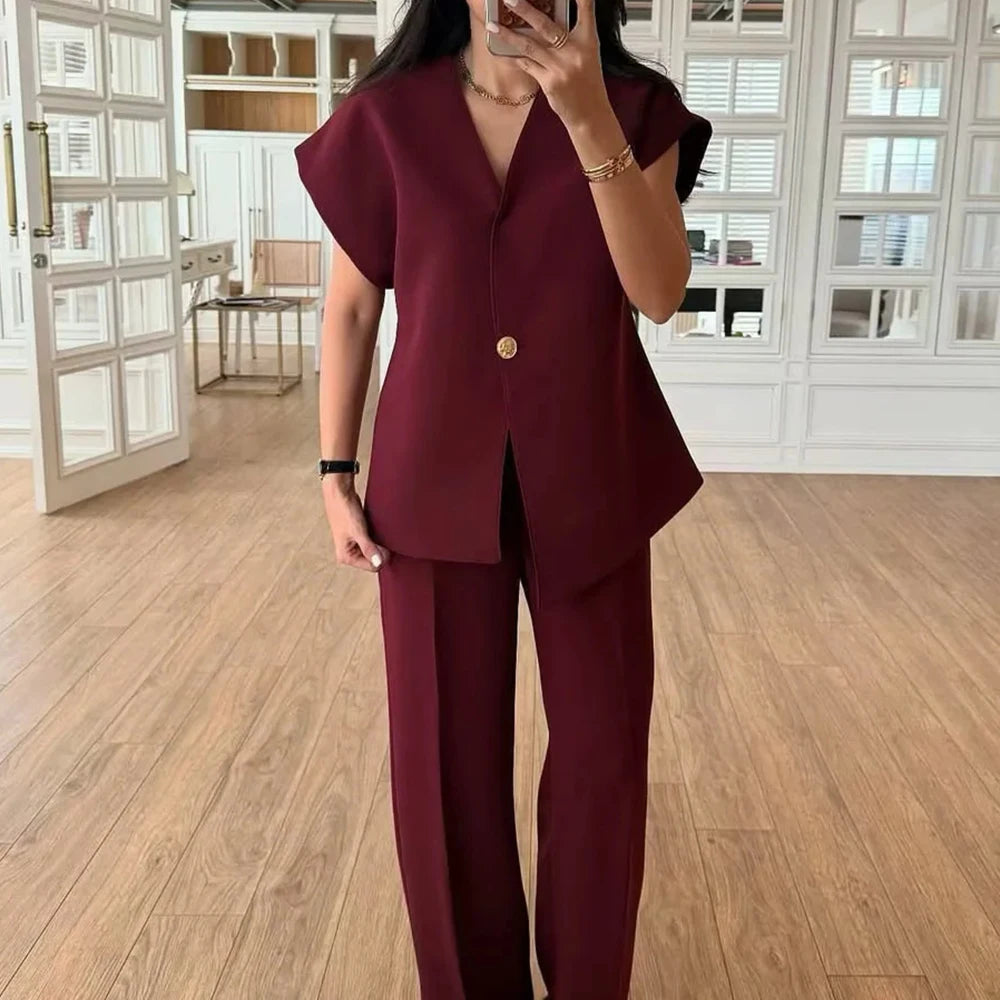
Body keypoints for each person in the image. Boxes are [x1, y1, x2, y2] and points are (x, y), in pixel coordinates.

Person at [295, 0, 711, 992]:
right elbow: (352, 307)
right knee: (443, 771)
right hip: (430, 485)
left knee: (603, 761)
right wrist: (332, 474)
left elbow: (658, 291)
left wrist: (584, 118)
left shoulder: (634, 109)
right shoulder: (388, 118)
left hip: (596, 479)